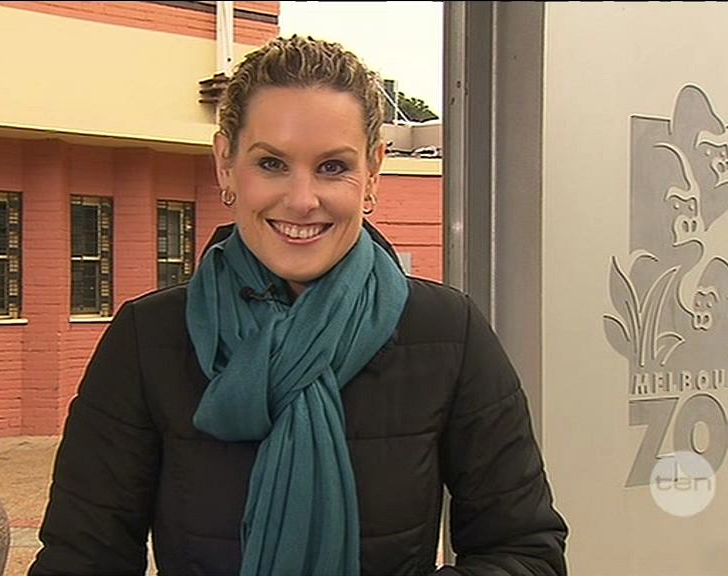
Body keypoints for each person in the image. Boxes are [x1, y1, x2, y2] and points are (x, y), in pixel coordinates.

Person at [30, 36, 567, 576]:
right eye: (271, 163)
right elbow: (80, 559)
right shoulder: (149, 339)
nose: (303, 200)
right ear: (225, 164)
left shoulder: (448, 333)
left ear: (373, 171)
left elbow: (525, 552)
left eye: (333, 167)